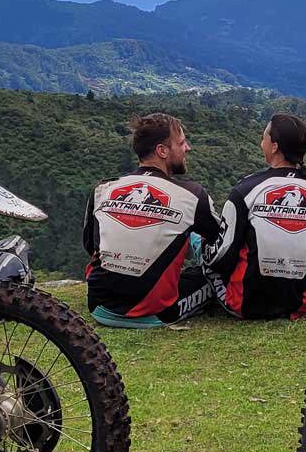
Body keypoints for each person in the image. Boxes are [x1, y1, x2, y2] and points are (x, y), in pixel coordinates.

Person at [84, 113, 220, 328]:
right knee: (209, 278)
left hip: (99, 305)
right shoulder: (192, 195)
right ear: (162, 151)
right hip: (155, 312)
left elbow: (91, 246)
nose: (188, 148)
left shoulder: (104, 188)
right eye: (182, 143)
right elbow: (222, 245)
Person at [209, 112, 306, 320]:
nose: (261, 143)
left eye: (263, 137)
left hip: (246, 304)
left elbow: (222, 255)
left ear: (274, 146)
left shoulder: (246, 189)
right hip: (301, 302)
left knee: (205, 252)